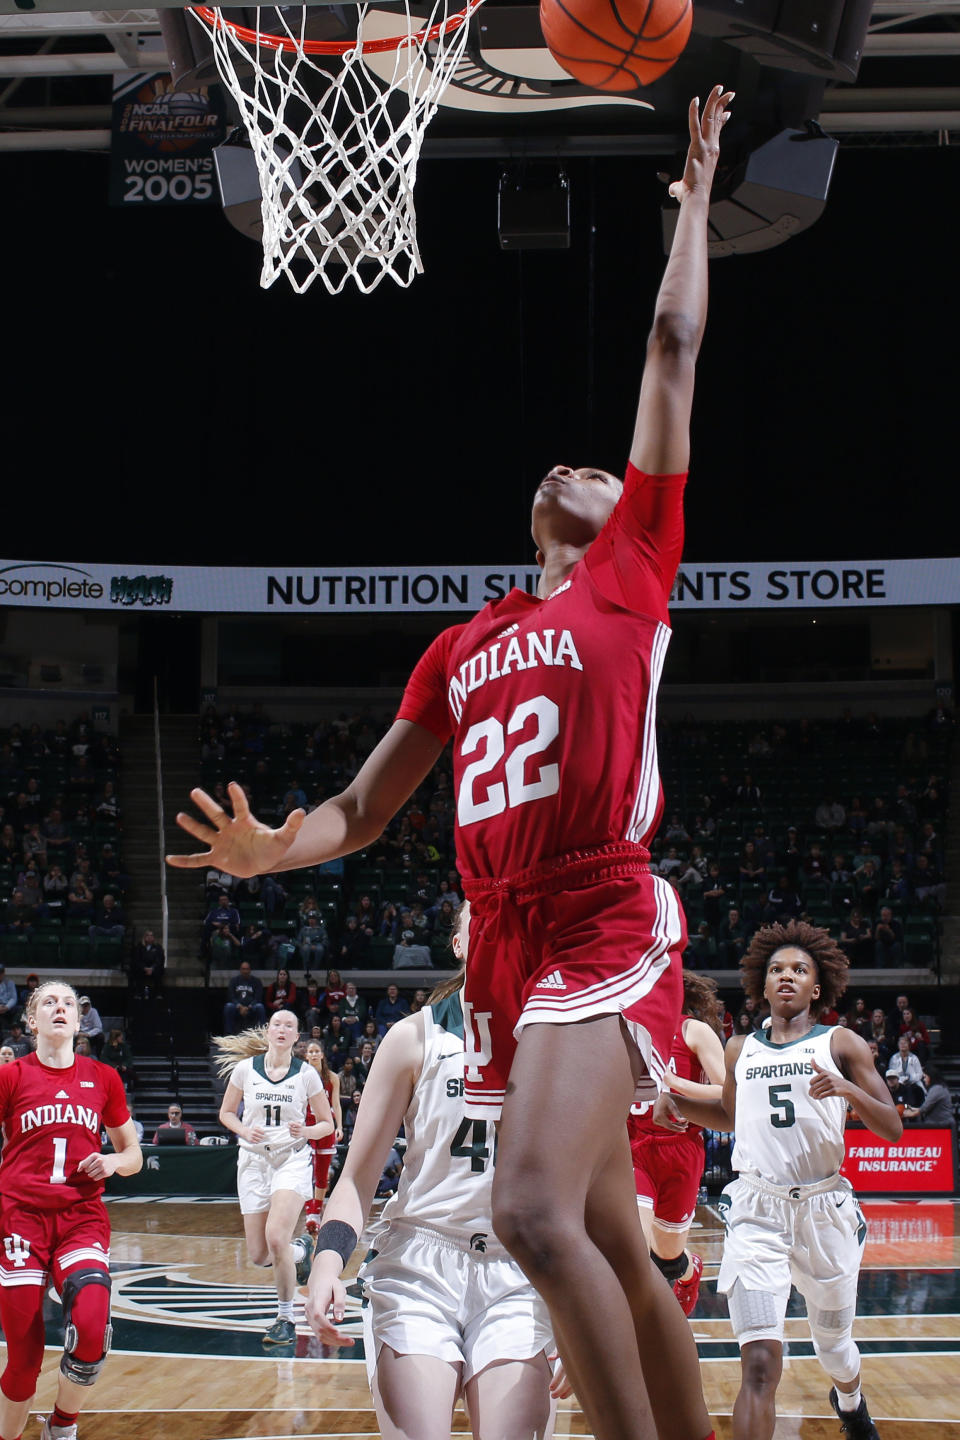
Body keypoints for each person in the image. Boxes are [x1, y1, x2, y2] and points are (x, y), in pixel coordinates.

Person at [169, 85, 736, 1440]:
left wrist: (697, 207)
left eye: (602, 471)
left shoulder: (632, 573)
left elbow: (669, 340)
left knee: (530, 1212)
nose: (578, 468)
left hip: (599, 909)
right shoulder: (463, 643)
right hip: (503, 938)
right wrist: (269, 849)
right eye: (565, 471)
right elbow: (365, 808)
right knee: (602, 1222)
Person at [305, 902, 561, 1440]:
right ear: (459, 942)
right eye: (480, 914)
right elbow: (355, 1180)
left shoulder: (562, 1041)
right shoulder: (413, 1037)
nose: (494, 925)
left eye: (509, 917)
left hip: (523, 1270)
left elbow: (588, 1194)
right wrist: (327, 1263)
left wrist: (588, 1315)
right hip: (421, 1263)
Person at [656, 920, 902, 1440]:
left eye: (798, 969)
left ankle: (851, 1401)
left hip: (823, 1209)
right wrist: (678, 1107)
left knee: (834, 1349)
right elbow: (729, 1116)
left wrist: (846, 1091)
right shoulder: (738, 1049)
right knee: (761, 1365)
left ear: (817, 988)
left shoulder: (841, 1042)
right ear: (762, 986)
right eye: (775, 970)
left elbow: (893, 1128)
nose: (785, 976)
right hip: (756, 1210)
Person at [0, 981, 142, 1440]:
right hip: (20, 1220)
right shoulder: (10, 1076)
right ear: (31, 1020)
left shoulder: (103, 1078)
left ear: (80, 1022)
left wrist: (115, 1161)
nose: (59, 1009)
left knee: (92, 1326)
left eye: (68, 1004)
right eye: (48, 1003)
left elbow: (133, 1153)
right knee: (23, 1358)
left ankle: (62, 1425)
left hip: (80, 1217)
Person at [214, 1008, 335, 1347]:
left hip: (291, 1160)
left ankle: (285, 1318)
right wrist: (242, 1129)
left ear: (297, 1037)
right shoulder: (244, 1070)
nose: (282, 1030)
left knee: (276, 1236)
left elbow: (327, 1124)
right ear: (268, 1031)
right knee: (259, 1255)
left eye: (290, 1026)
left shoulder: (307, 1074)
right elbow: (225, 1113)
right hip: (253, 1162)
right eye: (277, 1024)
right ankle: (301, 1252)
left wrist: (307, 1129)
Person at [628, 972, 725, 1316]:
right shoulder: (627, 1030)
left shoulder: (693, 1031)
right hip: (633, 1148)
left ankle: (689, 1271)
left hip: (680, 1150)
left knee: (667, 1258)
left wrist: (672, 1082)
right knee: (633, 1250)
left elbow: (727, 1092)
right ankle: (633, 1340)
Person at [302, 1039, 343, 1234]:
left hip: (326, 1126)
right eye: (310, 1051)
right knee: (305, 1170)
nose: (314, 1054)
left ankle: (316, 1211)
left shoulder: (332, 1077)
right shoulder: (300, 1076)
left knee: (322, 1171)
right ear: (306, 1055)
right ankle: (310, 1212)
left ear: (322, 1054)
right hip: (307, 1126)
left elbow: (336, 1104)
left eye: (317, 1050)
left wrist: (340, 1126)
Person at [223, 960, 267, 1033]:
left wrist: (248, 1007)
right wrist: (240, 1006)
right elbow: (231, 996)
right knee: (228, 1006)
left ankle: (263, 1035)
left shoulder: (256, 981)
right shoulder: (234, 981)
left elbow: (258, 997)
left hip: (251, 1007)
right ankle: (228, 1034)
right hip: (237, 1008)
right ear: (240, 970)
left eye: (247, 969)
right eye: (243, 969)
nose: (245, 971)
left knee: (260, 1007)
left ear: (250, 970)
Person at [129, 929, 165, 1000]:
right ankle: (138, 993)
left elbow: (159, 959)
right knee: (136, 971)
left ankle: (158, 994)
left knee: (159, 972)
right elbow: (137, 959)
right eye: (147, 935)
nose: (149, 937)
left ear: (154, 937)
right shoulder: (139, 947)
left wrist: (152, 968)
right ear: (144, 937)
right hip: (142, 967)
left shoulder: (158, 947)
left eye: (151, 935)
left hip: (153, 968)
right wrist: (144, 968)